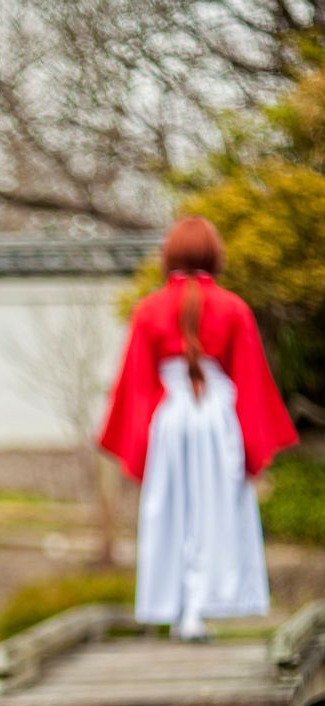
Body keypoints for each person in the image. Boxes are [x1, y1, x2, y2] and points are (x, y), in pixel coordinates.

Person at [98, 215, 298, 640]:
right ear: (213, 254)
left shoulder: (149, 309)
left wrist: (140, 439)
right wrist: (251, 445)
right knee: (216, 510)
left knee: (171, 512)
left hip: (170, 421)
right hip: (216, 419)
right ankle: (202, 607)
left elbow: (135, 383)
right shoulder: (233, 308)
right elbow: (250, 380)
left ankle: (178, 608)